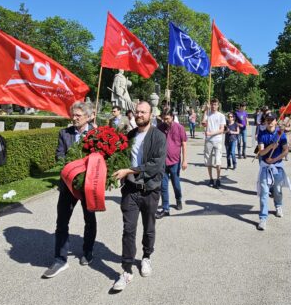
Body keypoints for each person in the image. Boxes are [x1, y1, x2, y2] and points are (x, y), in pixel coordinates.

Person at [110, 101, 167, 291]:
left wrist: (130, 170)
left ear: (151, 114)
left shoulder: (158, 136)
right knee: (128, 229)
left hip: (150, 190)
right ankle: (126, 270)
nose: (139, 114)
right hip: (131, 190)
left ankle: (146, 257)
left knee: (149, 227)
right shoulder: (130, 136)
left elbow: (156, 165)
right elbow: (121, 157)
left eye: (143, 112)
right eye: (137, 111)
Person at [42, 102, 99, 278]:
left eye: (78, 115)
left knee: (89, 219)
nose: (74, 118)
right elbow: (59, 156)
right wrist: (71, 172)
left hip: (88, 185)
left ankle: (87, 251)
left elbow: (101, 160)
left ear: (89, 117)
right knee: (62, 222)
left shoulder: (96, 134)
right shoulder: (64, 133)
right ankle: (60, 259)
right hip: (68, 185)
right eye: (73, 115)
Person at [255, 112, 289, 231]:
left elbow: (286, 151)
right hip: (265, 167)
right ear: (265, 121)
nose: (269, 122)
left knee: (277, 190)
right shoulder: (262, 135)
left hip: (277, 166)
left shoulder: (281, 134)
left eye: (272, 119)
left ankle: (278, 206)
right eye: (267, 120)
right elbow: (261, 152)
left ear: (276, 121)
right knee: (264, 192)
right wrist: (271, 147)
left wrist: (274, 159)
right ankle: (263, 218)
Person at [156, 108, 188, 218]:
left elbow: (184, 144)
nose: (165, 121)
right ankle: (165, 209)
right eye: (163, 119)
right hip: (163, 162)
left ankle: (178, 198)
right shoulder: (159, 128)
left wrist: (184, 160)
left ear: (172, 117)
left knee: (176, 184)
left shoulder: (180, 128)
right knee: (163, 186)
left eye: (167, 119)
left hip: (175, 162)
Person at [202, 98, 226, 189]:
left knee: (218, 160)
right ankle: (211, 178)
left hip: (217, 140)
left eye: (215, 104)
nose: (213, 106)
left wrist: (211, 133)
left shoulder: (221, 116)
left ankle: (218, 179)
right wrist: (205, 111)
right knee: (208, 160)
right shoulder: (208, 114)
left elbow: (221, 130)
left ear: (218, 105)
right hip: (208, 140)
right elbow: (203, 123)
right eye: (212, 104)